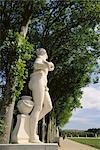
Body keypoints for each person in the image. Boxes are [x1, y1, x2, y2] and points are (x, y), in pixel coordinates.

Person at [28, 48, 54, 143]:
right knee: (38, 107)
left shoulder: (44, 61)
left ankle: (31, 122)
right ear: (44, 53)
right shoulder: (40, 58)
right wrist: (48, 64)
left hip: (43, 83)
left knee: (48, 106)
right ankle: (32, 136)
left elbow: (51, 68)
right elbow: (36, 64)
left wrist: (49, 65)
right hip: (37, 79)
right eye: (46, 53)